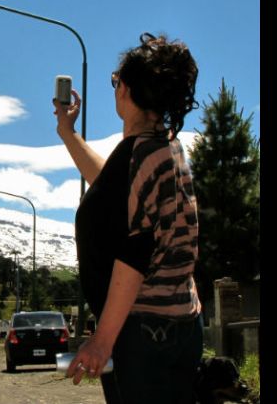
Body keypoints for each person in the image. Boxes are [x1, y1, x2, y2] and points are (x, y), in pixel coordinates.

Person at [54, 32, 204, 404]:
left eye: (116, 80)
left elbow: (135, 252)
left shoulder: (145, 155)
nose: (114, 87)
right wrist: (68, 134)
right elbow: (111, 188)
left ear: (130, 90)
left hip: (145, 331)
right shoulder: (161, 148)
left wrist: (101, 341)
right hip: (173, 323)